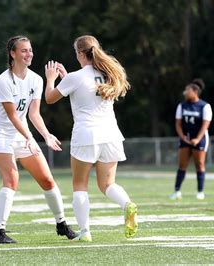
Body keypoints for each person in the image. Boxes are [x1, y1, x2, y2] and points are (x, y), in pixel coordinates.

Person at [44, 35, 138, 241]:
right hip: (111, 135)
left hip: (86, 135)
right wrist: (66, 78)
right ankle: (127, 204)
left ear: (79, 53)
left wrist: (51, 78)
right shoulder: (107, 74)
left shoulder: (76, 77)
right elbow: (83, 91)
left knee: (80, 185)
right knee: (107, 185)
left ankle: (85, 232)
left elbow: (49, 98)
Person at [0, 35, 76, 244]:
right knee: (12, 179)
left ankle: (61, 224)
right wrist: (30, 136)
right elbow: (12, 116)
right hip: (0, 135)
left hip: (22, 134)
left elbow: (33, 114)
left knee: (47, 180)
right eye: (24, 50)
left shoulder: (36, 79)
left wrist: (46, 135)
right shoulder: (4, 80)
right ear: (13, 54)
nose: (29, 54)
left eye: (30, 50)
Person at [169, 79, 212, 200]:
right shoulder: (182, 105)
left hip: (200, 139)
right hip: (185, 139)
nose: (185, 92)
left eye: (187, 90)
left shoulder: (205, 106)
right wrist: (182, 137)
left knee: (200, 164)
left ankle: (200, 192)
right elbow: (178, 123)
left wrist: (197, 139)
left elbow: (205, 125)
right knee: (182, 164)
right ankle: (177, 191)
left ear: (195, 91)